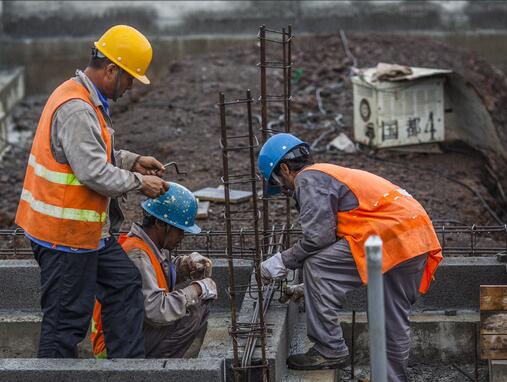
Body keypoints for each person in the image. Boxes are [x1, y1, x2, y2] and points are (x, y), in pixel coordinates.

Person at [15, 25, 169, 358]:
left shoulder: (85, 99)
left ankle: (127, 368)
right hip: (64, 237)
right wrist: (142, 183)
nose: (129, 88)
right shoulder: (77, 109)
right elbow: (94, 173)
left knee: (125, 284)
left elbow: (93, 155)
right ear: (111, 69)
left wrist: (133, 161)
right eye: (129, 79)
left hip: (87, 235)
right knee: (66, 322)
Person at [258, 133, 442, 381]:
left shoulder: (308, 178)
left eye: (279, 184)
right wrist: (310, 287)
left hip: (391, 236)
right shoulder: (330, 174)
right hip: (413, 236)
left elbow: (318, 239)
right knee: (391, 316)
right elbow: (337, 240)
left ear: (284, 169)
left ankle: (329, 348)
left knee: (317, 265)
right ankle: (390, 379)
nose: (284, 191)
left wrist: (282, 261)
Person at [91, 182, 217, 358]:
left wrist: (186, 266)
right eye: (179, 230)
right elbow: (157, 311)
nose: (182, 237)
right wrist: (196, 289)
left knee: (194, 307)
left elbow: (159, 271)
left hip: (126, 332)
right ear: (159, 223)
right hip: (113, 345)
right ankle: (155, 370)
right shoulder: (138, 254)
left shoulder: (150, 246)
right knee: (194, 312)